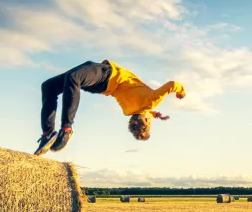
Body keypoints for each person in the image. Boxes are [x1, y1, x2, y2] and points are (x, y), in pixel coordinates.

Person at [34, 59, 185, 156]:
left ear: (145, 119)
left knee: (73, 78)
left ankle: (66, 129)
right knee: (49, 86)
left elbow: (172, 85)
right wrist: (154, 115)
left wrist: (181, 93)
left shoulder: (150, 101)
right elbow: (142, 112)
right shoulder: (129, 111)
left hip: (107, 75)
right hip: (100, 87)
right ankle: (48, 133)